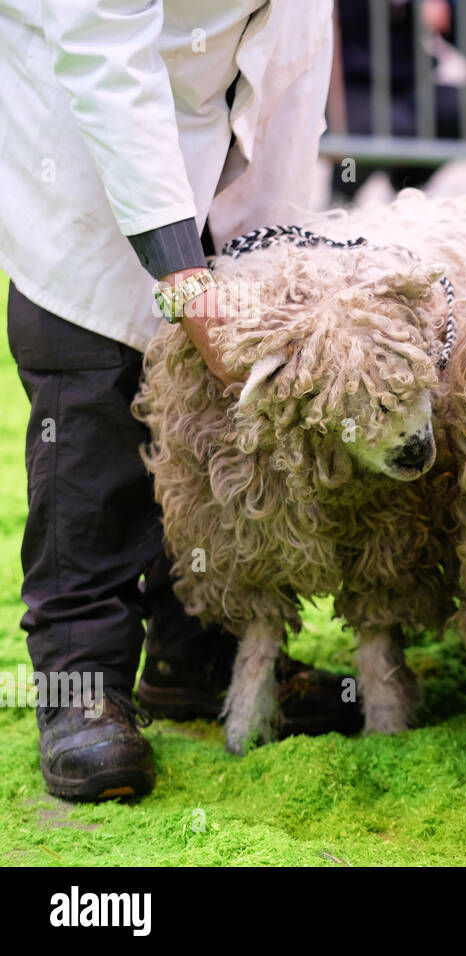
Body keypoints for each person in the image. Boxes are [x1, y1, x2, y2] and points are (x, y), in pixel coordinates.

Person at [0, 0, 358, 803]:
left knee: (219, 423)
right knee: (90, 401)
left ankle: (199, 651)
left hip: (224, 105)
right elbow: (100, 44)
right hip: (86, 121)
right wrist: (177, 263)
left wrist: (273, 244)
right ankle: (80, 686)